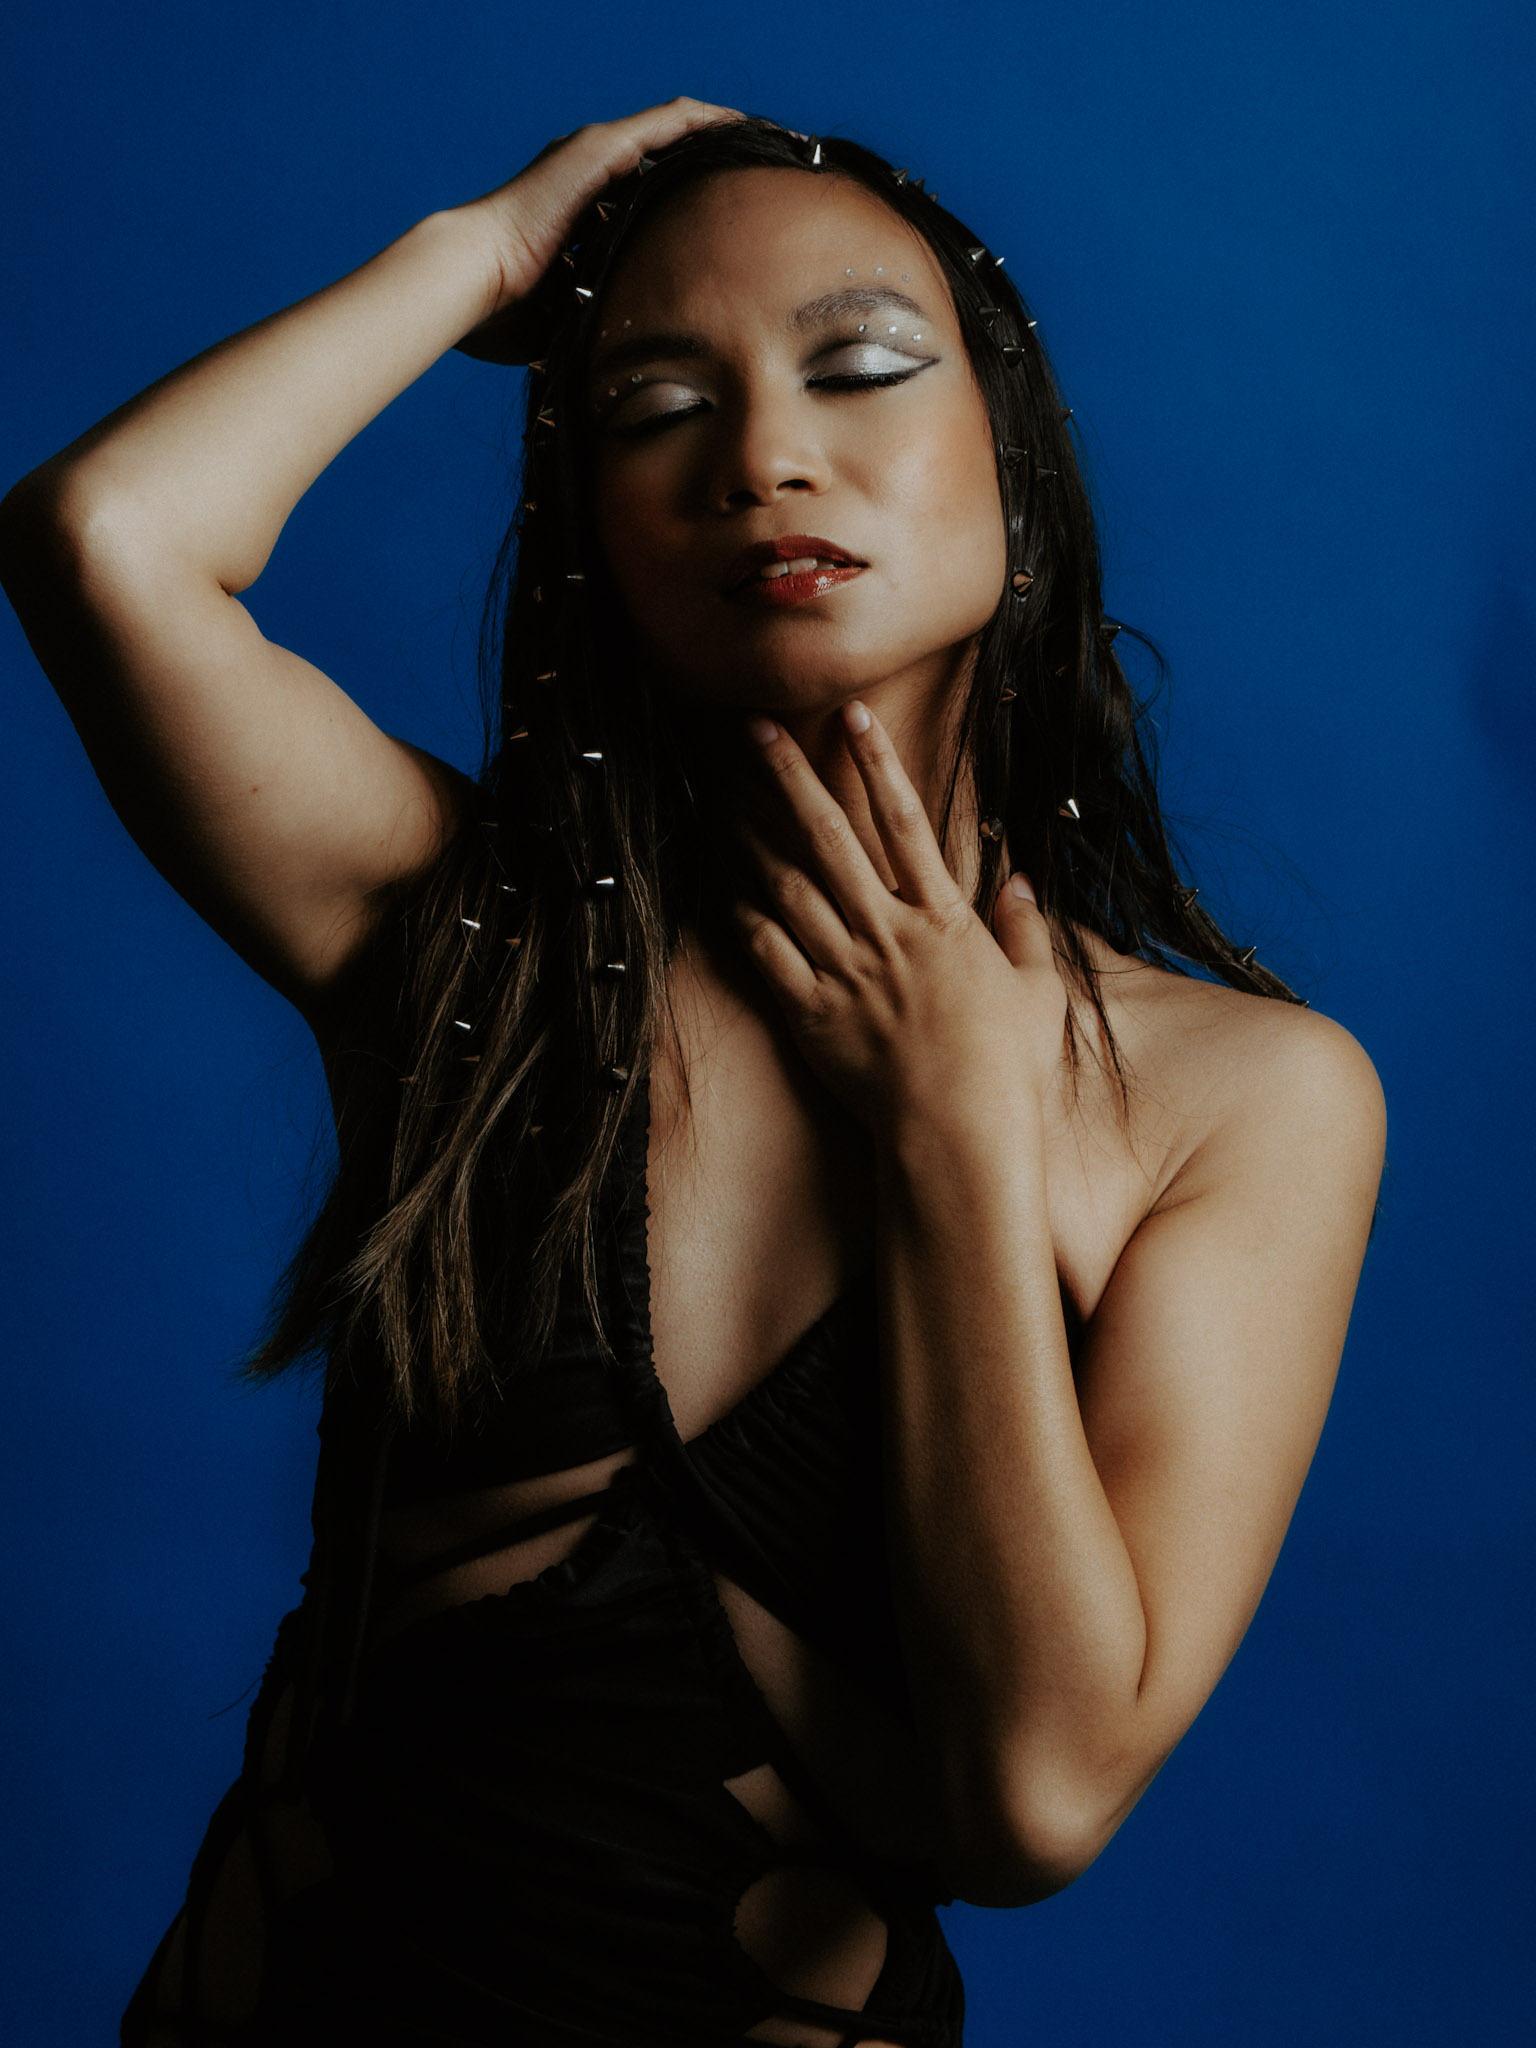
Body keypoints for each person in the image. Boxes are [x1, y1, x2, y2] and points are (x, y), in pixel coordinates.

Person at [0, 99, 1386, 2048]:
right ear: (598, 534)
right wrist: (483, 254)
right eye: (655, 407)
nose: (763, 457)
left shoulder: (1244, 1099)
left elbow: (1034, 1802)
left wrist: (953, 1129)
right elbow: (101, 540)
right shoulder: (463, 943)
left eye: (860, 368)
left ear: (1015, 463)